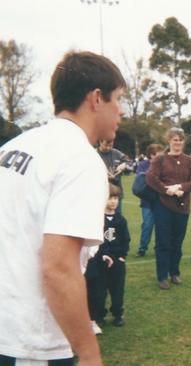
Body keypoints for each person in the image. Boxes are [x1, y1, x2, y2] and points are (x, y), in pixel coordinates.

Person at [0, 51, 125, 365]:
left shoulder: (15, 146)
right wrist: (89, 353)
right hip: (30, 341)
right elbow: (59, 268)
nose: (121, 111)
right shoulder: (80, 160)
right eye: (118, 99)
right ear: (97, 98)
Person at [146, 127, 191, 290]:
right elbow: (151, 178)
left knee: (177, 242)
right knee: (163, 242)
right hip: (163, 205)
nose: (178, 142)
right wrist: (166, 190)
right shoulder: (160, 159)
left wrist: (181, 187)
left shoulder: (189, 160)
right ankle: (162, 276)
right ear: (169, 141)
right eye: (175, 139)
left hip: (182, 206)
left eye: (180, 139)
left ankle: (174, 272)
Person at [86, 184, 130, 335]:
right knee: (99, 290)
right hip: (101, 261)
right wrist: (103, 255)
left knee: (117, 289)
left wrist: (122, 256)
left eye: (116, 198)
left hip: (117, 261)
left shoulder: (121, 220)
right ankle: (99, 315)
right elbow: (96, 241)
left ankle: (118, 314)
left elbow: (126, 240)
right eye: (110, 198)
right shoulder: (98, 220)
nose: (113, 202)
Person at [135, 143, 164, 257]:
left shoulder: (163, 165)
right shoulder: (143, 165)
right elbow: (140, 179)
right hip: (147, 201)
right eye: (158, 155)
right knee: (147, 225)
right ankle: (142, 248)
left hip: (161, 200)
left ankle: (159, 248)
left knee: (160, 225)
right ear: (151, 155)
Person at [97, 139, 131, 213]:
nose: (108, 148)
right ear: (100, 142)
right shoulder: (94, 154)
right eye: (106, 145)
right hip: (99, 193)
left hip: (115, 193)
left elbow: (130, 164)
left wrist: (125, 165)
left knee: (116, 218)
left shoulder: (117, 153)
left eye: (111, 146)